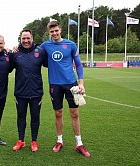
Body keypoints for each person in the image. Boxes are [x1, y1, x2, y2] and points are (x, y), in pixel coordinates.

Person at [40, 20, 90, 157]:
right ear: (49, 33)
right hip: (55, 85)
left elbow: (78, 65)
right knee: (58, 113)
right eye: (52, 31)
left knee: (75, 113)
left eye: (56, 30)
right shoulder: (45, 46)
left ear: (60, 30)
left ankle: (79, 143)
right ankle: (59, 140)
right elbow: (32, 51)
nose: (54, 33)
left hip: (71, 84)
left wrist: (81, 83)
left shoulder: (70, 45)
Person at [11, 29, 48, 152]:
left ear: (32, 38)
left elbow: (52, 64)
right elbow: (5, 67)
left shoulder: (40, 52)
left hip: (36, 92)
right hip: (20, 92)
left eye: (28, 38)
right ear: (20, 40)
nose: (26, 41)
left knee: (35, 117)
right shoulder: (15, 53)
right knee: (21, 117)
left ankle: (34, 141)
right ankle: (20, 140)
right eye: (23, 39)